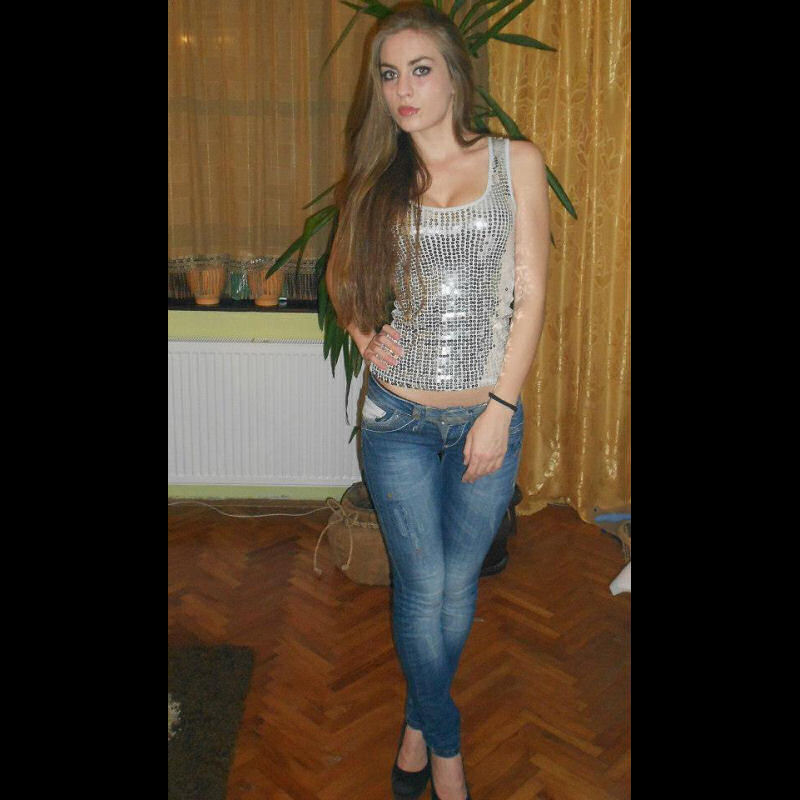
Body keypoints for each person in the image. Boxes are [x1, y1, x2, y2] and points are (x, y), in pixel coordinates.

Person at [325, 3, 550, 798]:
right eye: (390, 75)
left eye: (420, 70)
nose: (403, 89)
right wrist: (365, 335)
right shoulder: (380, 179)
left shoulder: (514, 162)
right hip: (398, 422)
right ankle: (446, 749)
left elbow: (530, 296)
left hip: (486, 416)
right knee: (424, 589)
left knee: (458, 587)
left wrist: (499, 410)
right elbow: (339, 275)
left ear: (455, 75)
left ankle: (418, 724)